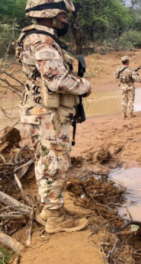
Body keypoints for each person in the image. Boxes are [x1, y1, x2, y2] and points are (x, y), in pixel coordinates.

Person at [15, 0, 91, 233]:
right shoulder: (42, 41)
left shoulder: (35, 37)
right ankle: (56, 218)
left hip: (42, 113)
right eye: (62, 15)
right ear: (49, 14)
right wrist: (85, 86)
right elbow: (57, 80)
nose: (65, 20)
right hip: (48, 116)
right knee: (55, 164)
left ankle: (52, 210)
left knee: (48, 162)